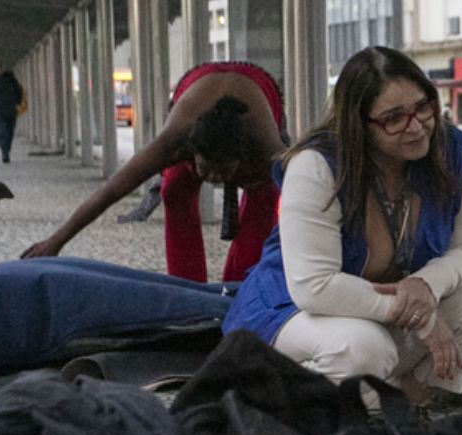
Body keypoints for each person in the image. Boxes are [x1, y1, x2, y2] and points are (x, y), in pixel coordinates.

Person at [223, 46, 462, 403]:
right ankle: (308, 413)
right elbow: (314, 287)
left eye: (423, 106)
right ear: (358, 125)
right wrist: (423, 317)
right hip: (294, 312)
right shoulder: (315, 166)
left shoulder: (452, 151)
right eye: (394, 118)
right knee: (363, 347)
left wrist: (426, 284)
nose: (416, 127)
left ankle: (419, 408)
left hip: (388, 312)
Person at [21, 61, 288, 283]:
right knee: (174, 190)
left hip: (256, 89)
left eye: (224, 171)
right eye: (206, 169)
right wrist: (55, 241)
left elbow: (310, 186)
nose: (215, 178)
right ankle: (186, 291)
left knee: (263, 200)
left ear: (243, 157)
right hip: (197, 87)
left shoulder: (265, 144)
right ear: (189, 152)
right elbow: (110, 192)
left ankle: (238, 289)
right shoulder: (173, 139)